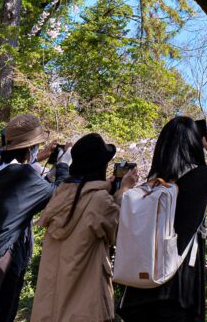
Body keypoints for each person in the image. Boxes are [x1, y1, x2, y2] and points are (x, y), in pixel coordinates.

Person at [118, 118, 207, 322]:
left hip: (136, 292)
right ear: (194, 143)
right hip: (177, 288)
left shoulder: (147, 188)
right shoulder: (200, 177)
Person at [0, 114, 68, 322]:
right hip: (4, 266)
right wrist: (63, 166)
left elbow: (37, 187)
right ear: (29, 148)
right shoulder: (22, 176)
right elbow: (57, 194)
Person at [30, 133, 138, 322]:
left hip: (49, 309)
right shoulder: (99, 200)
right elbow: (117, 228)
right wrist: (124, 190)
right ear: (101, 166)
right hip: (85, 310)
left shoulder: (60, 197)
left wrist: (105, 188)